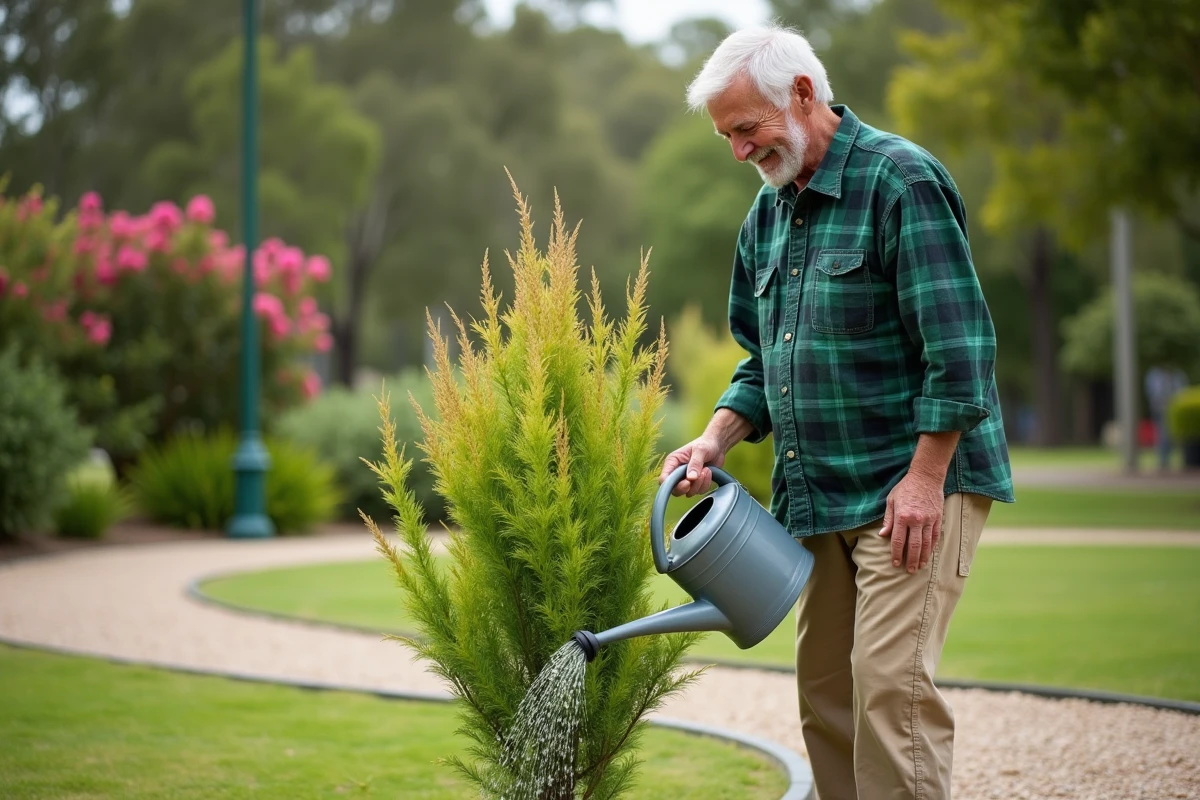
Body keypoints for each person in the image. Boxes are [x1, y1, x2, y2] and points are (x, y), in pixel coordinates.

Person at [659, 25, 1014, 800]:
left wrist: (925, 479)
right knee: (825, 695)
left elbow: (960, 349)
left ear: (803, 94)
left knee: (890, 691)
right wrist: (715, 438)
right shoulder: (766, 217)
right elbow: (763, 359)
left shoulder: (901, 182)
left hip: (912, 487)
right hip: (816, 496)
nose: (738, 151)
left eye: (745, 128)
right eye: (726, 135)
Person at [1144, 365, 1189, 471]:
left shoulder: (1177, 375)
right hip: (1160, 410)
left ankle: (1165, 459)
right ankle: (1163, 459)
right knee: (1163, 434)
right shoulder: (1155, 375)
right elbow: (1153, 393)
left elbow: (1181, 392)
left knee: (1169, 435)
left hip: (1173, 409)